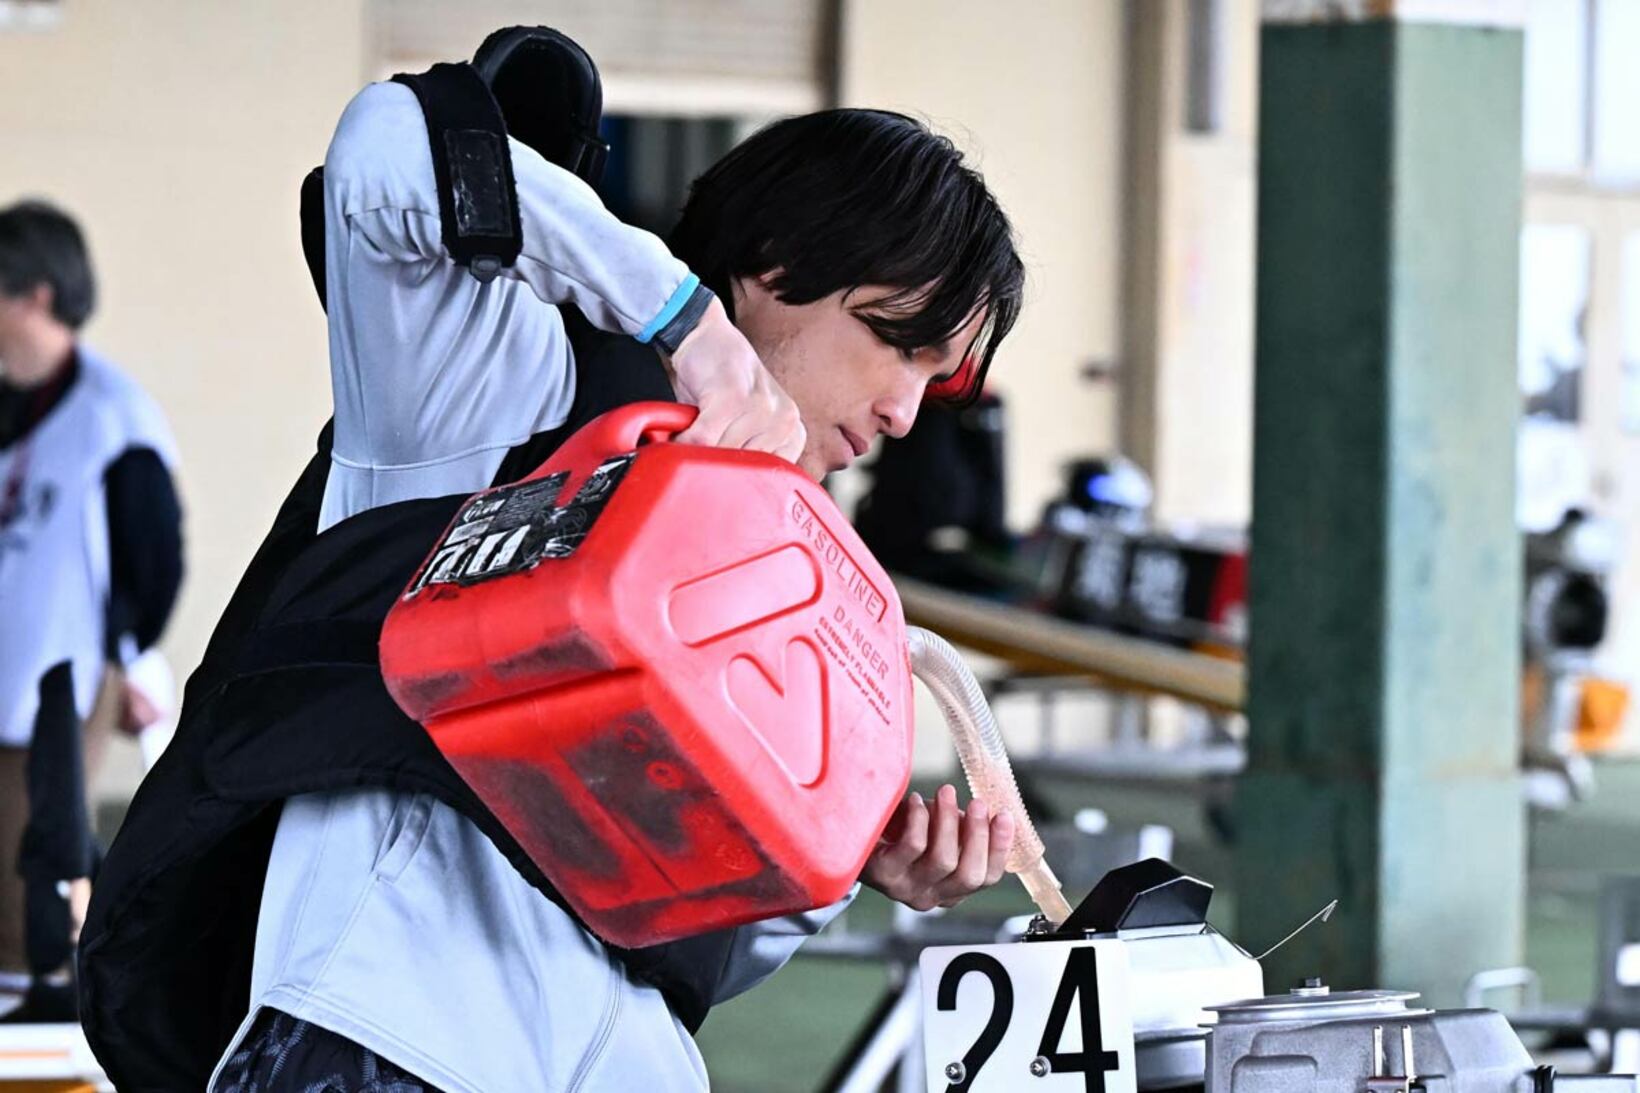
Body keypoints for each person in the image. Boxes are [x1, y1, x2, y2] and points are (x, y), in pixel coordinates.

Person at [83, 49, 1025, 1092]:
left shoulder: (779, 574)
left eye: (934, 386)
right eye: (897, 344)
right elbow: (384, 152)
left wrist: (846, 866)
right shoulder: (501, 379)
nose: (900, 412)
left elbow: (694, 937)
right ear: (774, 265)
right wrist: (681, 320)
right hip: (391, 1034)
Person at [0, 200, 184, 1021]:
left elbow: (155, 559)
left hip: (52, 685)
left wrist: (127, 656)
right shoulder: (12, 399)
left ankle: (52, 1021)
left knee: (25, 877)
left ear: (33, 296)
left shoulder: (112, 418)